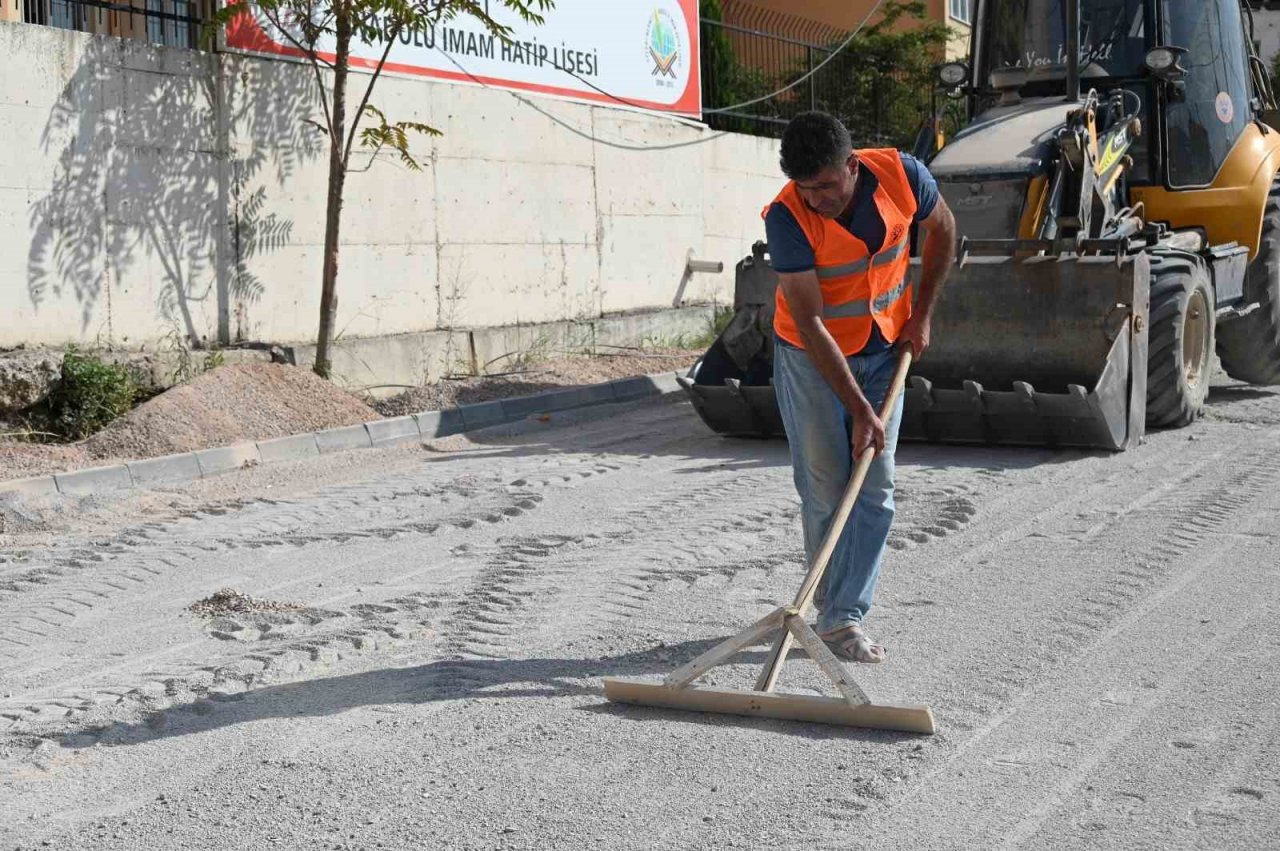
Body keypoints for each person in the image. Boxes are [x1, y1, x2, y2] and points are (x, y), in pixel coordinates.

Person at [763, 111, 956, 663]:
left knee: (875, 488)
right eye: (807, 189)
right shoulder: (787, 217)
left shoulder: (903, 175)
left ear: (851, 166)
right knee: (825, 487)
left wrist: (921, 313)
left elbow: (943, 229)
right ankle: (824, 605)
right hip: (810, 359)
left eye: (826, 186)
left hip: (885, 349)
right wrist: (859, 411)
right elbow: (810, 323)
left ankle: (843, 618)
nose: (817, 199)